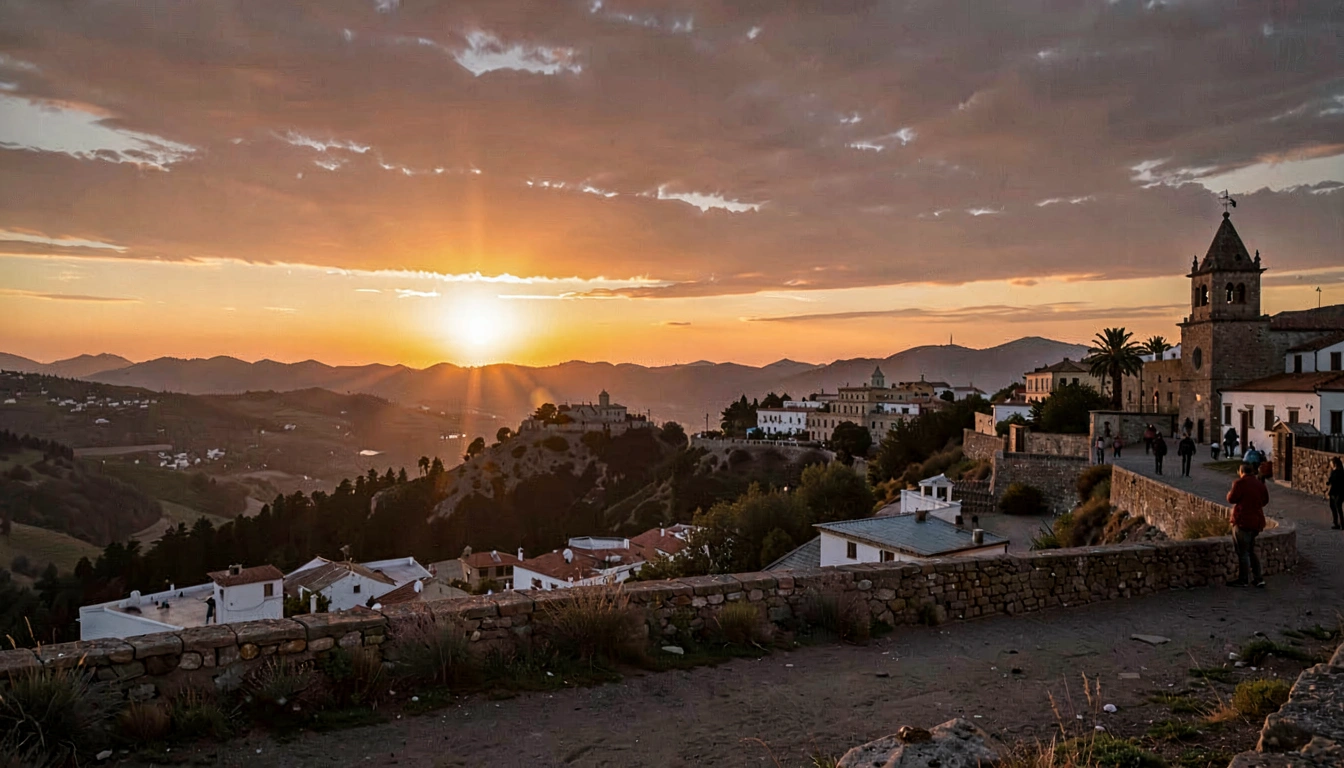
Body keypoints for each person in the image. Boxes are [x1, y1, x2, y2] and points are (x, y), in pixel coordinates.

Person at [1227, 463, 1268, 588]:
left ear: (1241, 471)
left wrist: (1230, 493)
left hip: (1242, 521)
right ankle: (1258, 578)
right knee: (1251, 551)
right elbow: (1265, 500)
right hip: (1256, 522)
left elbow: (1231, 499)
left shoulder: (1239, 483)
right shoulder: (1260, 485)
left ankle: (1243, 579)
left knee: (1242, 551)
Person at [1328, 457, 1344, 530]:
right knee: (1333, 507)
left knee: (1338, 507)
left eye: (1331, 463)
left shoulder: (1340, 472)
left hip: (1339, 492)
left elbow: (1337, 481)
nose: (1330, 464)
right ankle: (1336, 523)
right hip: (1334, 491)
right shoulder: (1334, 471)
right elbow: (1331, 480)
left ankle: (1341, 523)